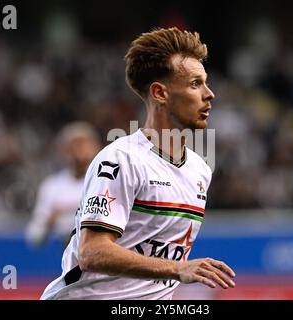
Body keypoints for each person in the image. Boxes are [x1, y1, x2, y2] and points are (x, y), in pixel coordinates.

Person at [41, 27, 236, 300]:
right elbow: (91, 252)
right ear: (160, 93)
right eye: (195, 84)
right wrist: (178, 268)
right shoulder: (121, 160)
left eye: (206, 82)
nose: (209, 93)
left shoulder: (200, 170)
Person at [25, 121, 101, 247]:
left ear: (96, 147)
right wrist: (48, 222)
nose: (78, 151)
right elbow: (34, 236)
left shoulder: (104, 182)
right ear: (63, 150)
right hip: (63, 254)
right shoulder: (52, 186)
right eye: (73, 146)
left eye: (83, 144)